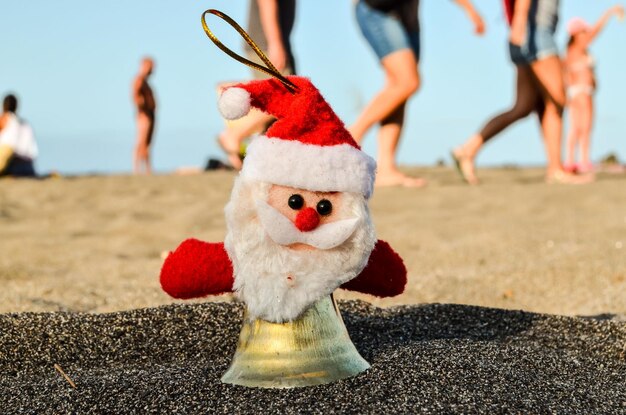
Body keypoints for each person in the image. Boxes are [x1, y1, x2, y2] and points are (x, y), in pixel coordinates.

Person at [453, 0, 591, 185]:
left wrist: (518, 25)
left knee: (523, 107)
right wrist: (519, 21)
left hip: (528, 33)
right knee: (556, 100)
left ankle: (468, 150)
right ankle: (556, 169)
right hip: (536, 36)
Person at [351, 0, 485, 188]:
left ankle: (386, 168)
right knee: (408, 82)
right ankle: (353, 134)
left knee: (398, 86)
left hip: (408, 16)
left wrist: (469, 9)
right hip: (378, 9)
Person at [217, 0, 296, 170]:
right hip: (266, 43)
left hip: (274, 42)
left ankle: (263, 161)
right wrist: (275, 42)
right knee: (289, 98)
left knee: (284, 110)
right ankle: (234, 134)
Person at [564, 5, 624, 174]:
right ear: (575, 34)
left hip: (575, 93)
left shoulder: (570, 52)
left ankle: (570, 161)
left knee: (575, 128)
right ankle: (582, 161)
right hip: (583, 92)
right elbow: (596, 30)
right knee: (585, 128)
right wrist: (610, 12)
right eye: (583, 31)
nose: (586, 34)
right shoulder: (577, 49)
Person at [0, 94, 38, 177]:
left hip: (11, 164)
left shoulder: (5, 118)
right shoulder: (25, 124)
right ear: (16, 106)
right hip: (28, 167)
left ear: (3, 106)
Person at [132, 57, 157, 175]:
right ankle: (140, 169)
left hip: (149, 114)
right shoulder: (139, 80)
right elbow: (135, 95)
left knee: (146, 143)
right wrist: (142, 106)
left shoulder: (145, 81)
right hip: (144, 115)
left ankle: (145, 169)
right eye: (151, 67)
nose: (153, 70)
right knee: (142, 142)